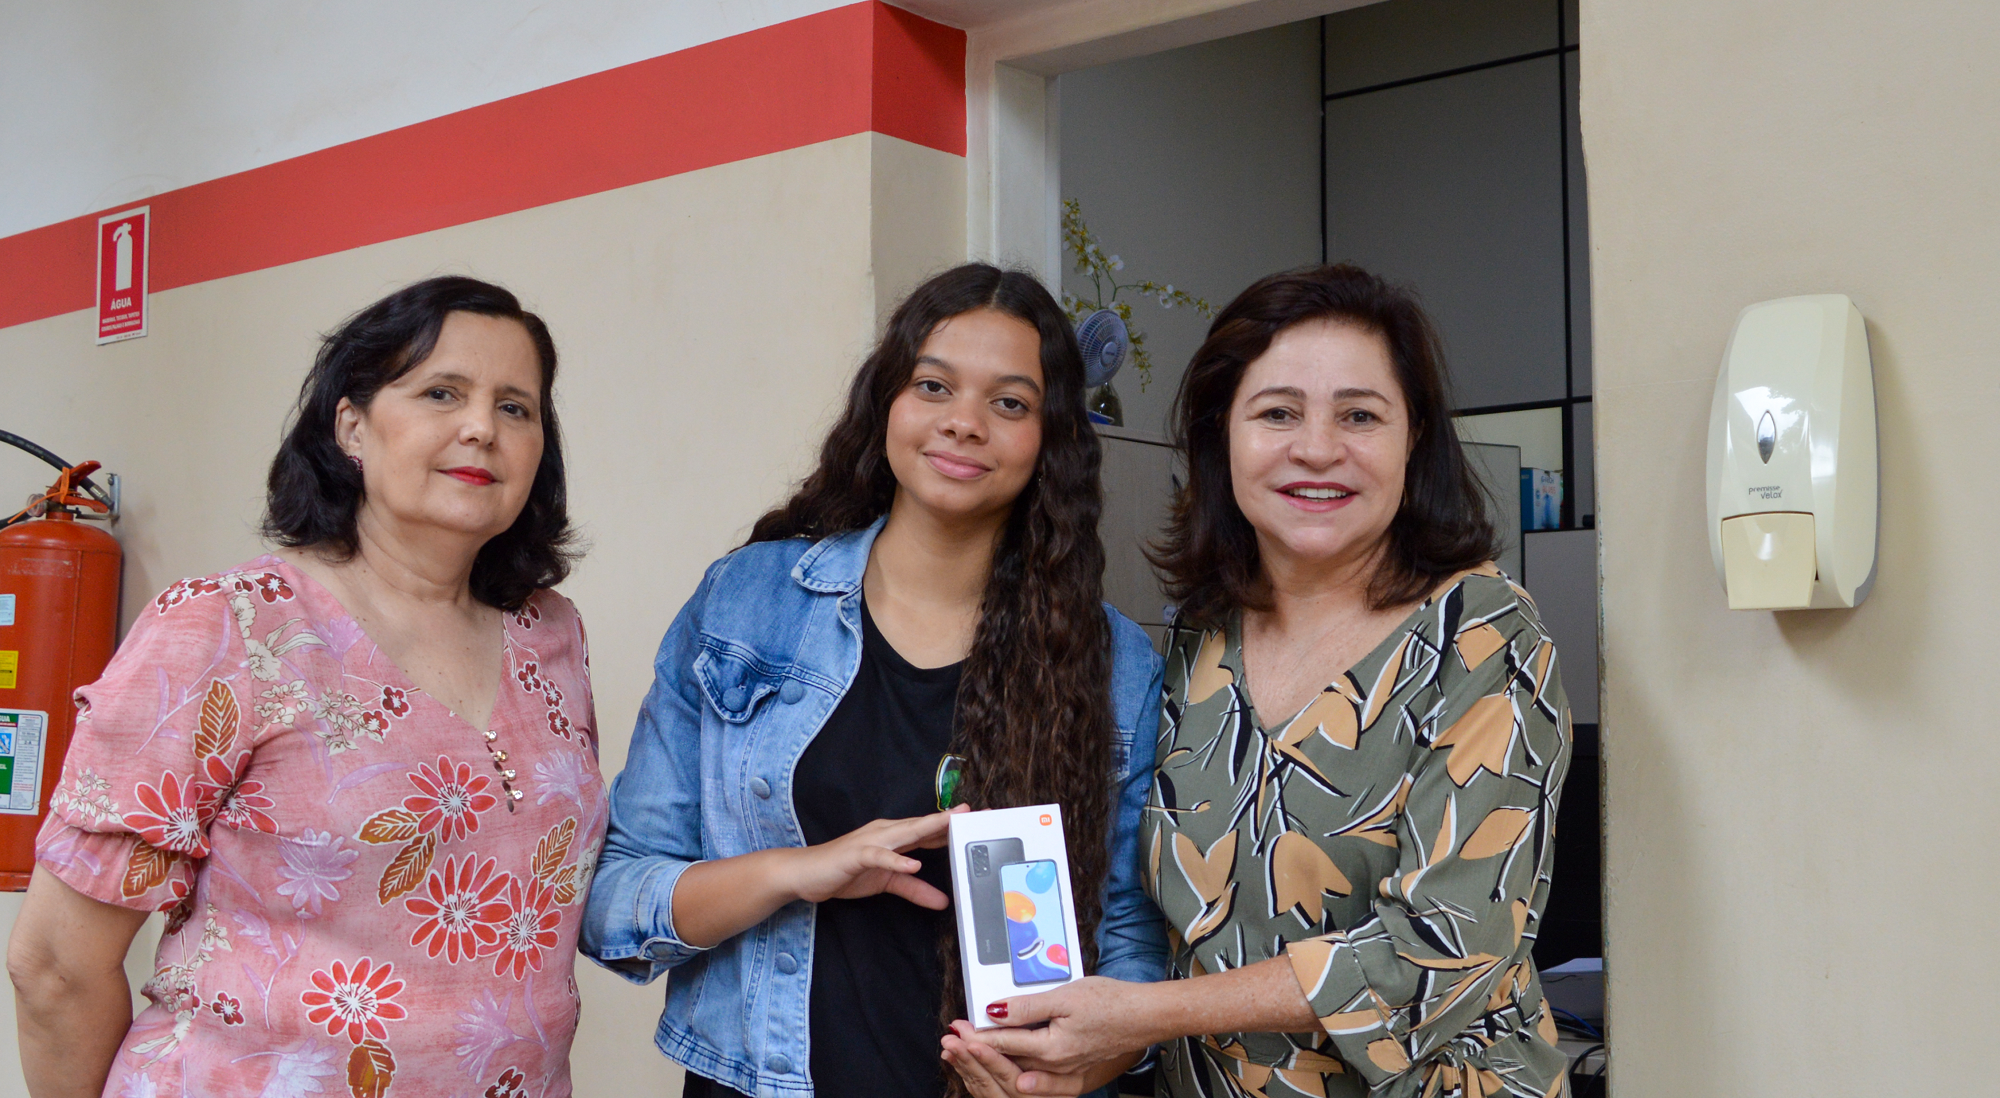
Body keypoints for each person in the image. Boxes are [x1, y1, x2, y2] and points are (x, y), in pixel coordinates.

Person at [949, 264, 1573, 1098]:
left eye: (1360, 415)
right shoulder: (1199, 639)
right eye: (1278, 413)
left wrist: (1141, 1015)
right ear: (1222, 437)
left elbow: (1440, 948)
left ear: (1414, 438)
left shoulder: (1482, 635)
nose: (1317, 448)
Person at [7, 277, 606, 1098]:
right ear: (351, 425)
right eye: (442, 392)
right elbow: (55, 966)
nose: (481, 428)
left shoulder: (551, 635)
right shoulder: (229, 631)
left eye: (516, 407)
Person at [581, 262, 1168, 1098]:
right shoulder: (748, 604)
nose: (964, 423)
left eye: (1009, 403)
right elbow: (614, 904)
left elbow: (1132, 944)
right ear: (887, 402)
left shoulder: (1113, 663)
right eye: (934, 386)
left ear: (1053, 440)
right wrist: (798, 868)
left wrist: (1092, 1058)